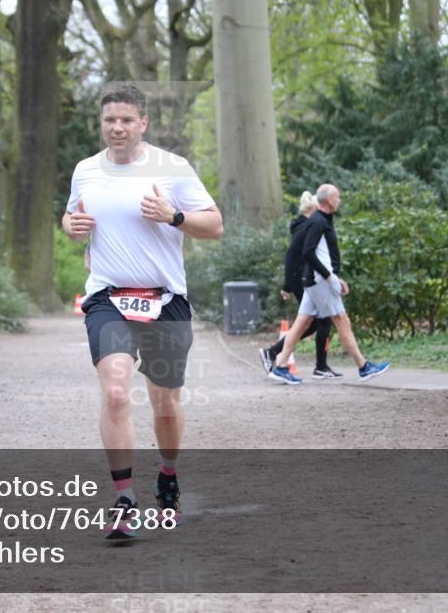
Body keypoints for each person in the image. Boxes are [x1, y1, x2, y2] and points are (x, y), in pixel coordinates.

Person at [62, 83, 223, 540]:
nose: (117, 128)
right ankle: (124, 499)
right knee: (116, 392)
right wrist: (71, 225)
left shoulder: (173, 168)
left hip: (165, 300)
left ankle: (167, 477)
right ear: (101, 123)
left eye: (127, 120)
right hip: (107, 299)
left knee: (165, 403)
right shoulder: (86, 170)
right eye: (110, 120)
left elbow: (215, 225)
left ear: (143, 123)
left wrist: (174, 216)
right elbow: (71, 217)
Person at [269, 183, 390, 384]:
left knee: (301, 324)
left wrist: (335, 277)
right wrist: (328, 277)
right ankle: (363, 367)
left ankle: (280, 366)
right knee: (342, 320)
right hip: (320, 282)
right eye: (337, 196)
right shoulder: (318, 221)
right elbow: (307, 252)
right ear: (328, 200)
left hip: (315, 280)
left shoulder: (321, 220)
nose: (339, 200)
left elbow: (321, 253)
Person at [257, 190, 340, 383]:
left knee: (312, 324)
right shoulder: (307, 227)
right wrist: (287, 285)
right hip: (304, 280)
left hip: (308, 279)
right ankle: (319, 367)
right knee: (321, 321)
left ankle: (274, 353)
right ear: (314, 209)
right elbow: (291, 255)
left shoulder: (311, 224)